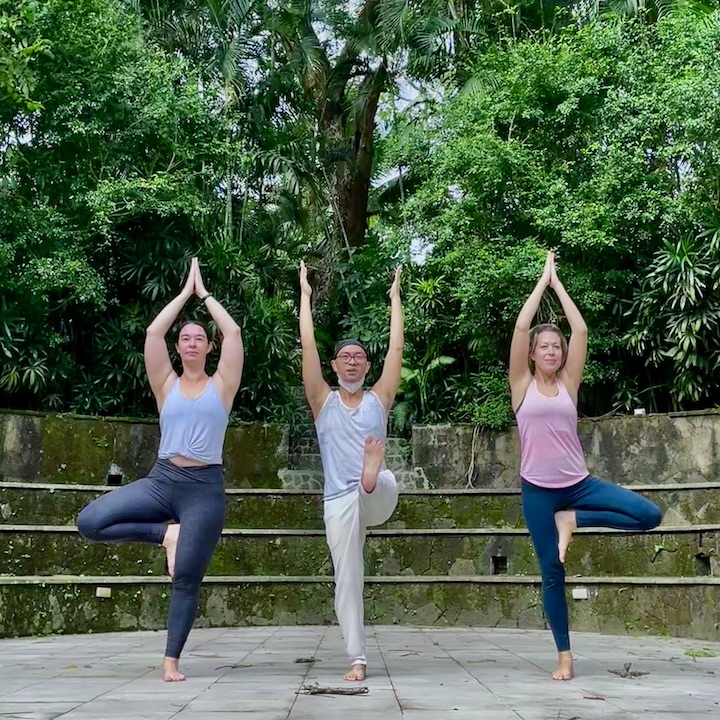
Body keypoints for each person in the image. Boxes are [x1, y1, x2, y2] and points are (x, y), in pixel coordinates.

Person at [77, 258, 243, 682]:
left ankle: (171, 659)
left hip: (203, 489)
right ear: (178, 347)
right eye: (185, 338)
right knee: (90, 522)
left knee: (186, 577)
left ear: (208, 348)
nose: (190, 343)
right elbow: (153, 332)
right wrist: (184, 294)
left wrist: (204, 295)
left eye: (199, 338)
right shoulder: (165, 383)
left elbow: (234, 332)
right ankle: (164, 534)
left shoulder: (222, 384)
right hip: (162, 479)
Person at [508, 251, 662, 681]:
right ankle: (564, 656)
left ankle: (573, 520)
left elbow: (581, 328)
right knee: (552, 571)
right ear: (533, 355)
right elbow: (522, 327)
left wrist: (560, 286)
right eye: (545, 347)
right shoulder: (520, 387)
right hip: (538, 492)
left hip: (579, 485)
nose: (553, 350)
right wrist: (541, 282)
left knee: (649, 515)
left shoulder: (569, 384)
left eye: (556, 347)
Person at [299, 261, 403, 682]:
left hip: (377, 494)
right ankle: (357, 658)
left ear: (366, 364)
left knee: (378, 481)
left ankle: (370, 475)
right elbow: (307, 347)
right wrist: (304, 297)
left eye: (360, 356)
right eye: (346, 357)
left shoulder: (380, 399)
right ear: (336, 365)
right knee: (348, 576)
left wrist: (395, 300)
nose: (354, 362)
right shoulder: (322, 400)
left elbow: (396, 350)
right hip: (339, 501)